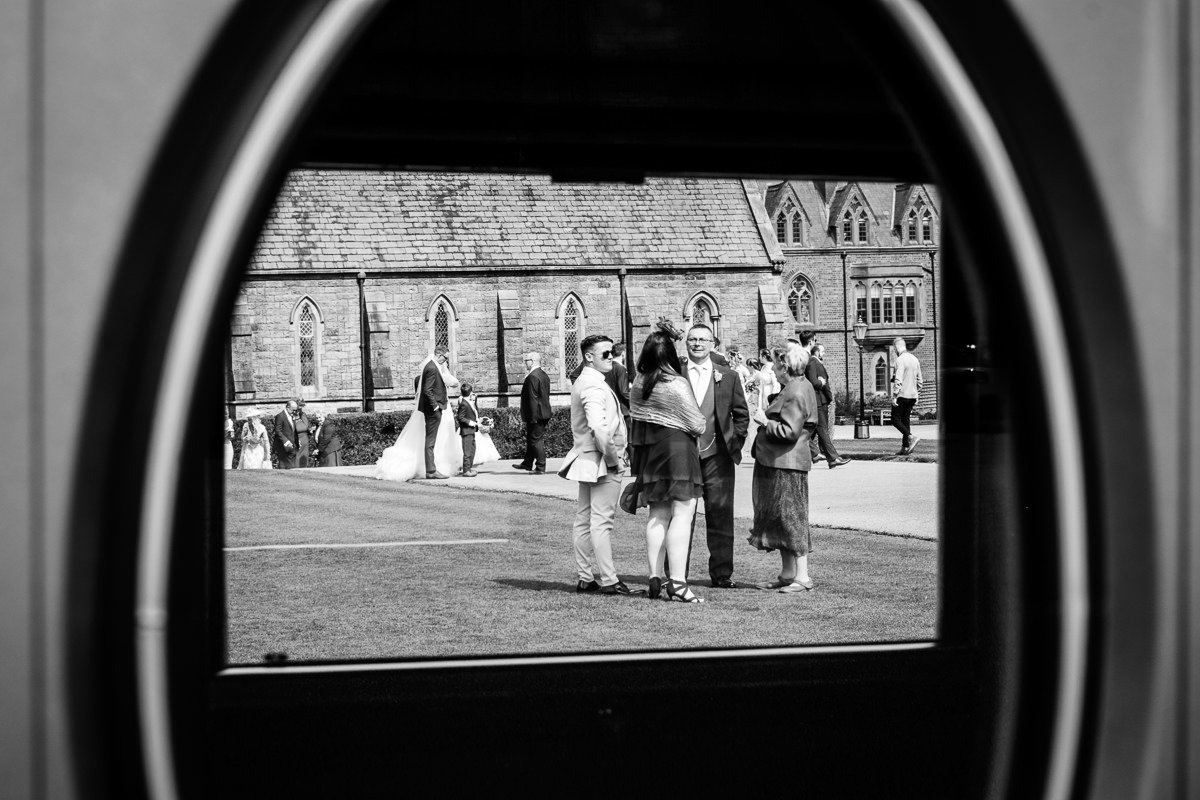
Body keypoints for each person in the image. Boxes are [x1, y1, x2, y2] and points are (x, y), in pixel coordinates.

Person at [629, 330, 707, 603]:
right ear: (671, 355)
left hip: (652, 452)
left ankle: (654, 576)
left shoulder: (639, 383)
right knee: (682, 514)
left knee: (657, 514)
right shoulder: (677, 383)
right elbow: (697, 423)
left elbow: (638, 417)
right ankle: (678, 582)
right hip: (678, 451)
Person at [559, 334, 637, 595]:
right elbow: (598, 428)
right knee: (601, 522)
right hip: (601, 461)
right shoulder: (592, 385)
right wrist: (614, 461)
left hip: (588, 459)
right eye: (605, 353)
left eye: (612, 352)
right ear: (588, 357)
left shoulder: (589, 381)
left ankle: (585, 577)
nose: (611, 358)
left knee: (584, 519)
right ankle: (609, 579)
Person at [748, 342, 819, 593]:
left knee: (792, 518)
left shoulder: (797, 390)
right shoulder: (794, 387)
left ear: (785, 365)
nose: (774, 368)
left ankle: (803, 577)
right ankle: (789, 573)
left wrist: (764, 421)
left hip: (787, 464)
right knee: (780, 518)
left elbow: (789, 432)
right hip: (779, 462)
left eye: (777, 364)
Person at [682, 323, 749, 588]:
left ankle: (722, 574)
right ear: (686, 343)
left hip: (718, 456)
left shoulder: (728, 376)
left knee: (720, 513)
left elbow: (741, 414)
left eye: (702, 339)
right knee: (680, 515)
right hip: (682, 456)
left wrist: (734, 441)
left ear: (713, 344)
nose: (697, 344)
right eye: (692, 339)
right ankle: (676, 573)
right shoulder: (675, 374)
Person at [375, 347, 463, 481]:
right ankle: (431, 471)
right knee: (430, 440)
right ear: (439, 355)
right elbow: (427, 390)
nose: (445, 360)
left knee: (430, 440)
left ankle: (431, 469)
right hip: (433, 411)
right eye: (445, 358)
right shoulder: (432, 368)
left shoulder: (434, 366)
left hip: (436, 409)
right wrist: (435, 407)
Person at [798, 333, 850, 469]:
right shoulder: (810, 359)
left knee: (812, 430)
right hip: (815, 400)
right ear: (810, 342)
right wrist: (821, 383)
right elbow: (813, 382)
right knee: (818, 429)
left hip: (810, 399)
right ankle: (830, 457)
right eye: (814, 341)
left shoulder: (803, 357)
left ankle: (821, 455)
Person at [514, 351, 551, 474]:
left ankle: (540, 467)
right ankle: (527, 463)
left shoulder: (532, 376)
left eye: (527, 361)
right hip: (543, 412)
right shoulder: (543, 375)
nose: (525, 363)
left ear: (533, 361)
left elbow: (533, 398)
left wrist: (533, 417)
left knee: (535, 440)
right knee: (532, 439)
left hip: (537, 414)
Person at [891, 336, 924, 455]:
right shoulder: (915, 359)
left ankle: (911, 437)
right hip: (912, 396)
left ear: (895, 348)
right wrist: (914, 390)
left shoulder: (900, 360)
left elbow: (898, 380)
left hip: (902, 395)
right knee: (905, 420)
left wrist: (895, 395)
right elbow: (920, 382)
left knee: (894, 419)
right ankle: (905, 447)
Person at [454, 381, 481, 477]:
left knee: (472, 449)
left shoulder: (469, 401)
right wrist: (471, 422)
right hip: (466, 431)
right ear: (470, 392)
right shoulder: (464, 404)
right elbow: (460, 417)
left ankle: (469, 467)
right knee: (467, 451)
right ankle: (466, 470)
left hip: (471, 430)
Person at [273, 400, 302, 469]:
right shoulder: (280, 416)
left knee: (292, 468)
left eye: (296, 410)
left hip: (293, 446)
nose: (295, 412)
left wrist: (297, 441)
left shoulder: (291, 415)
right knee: (284, 468)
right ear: (288, 407)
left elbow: (293, 431)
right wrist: (286, 441)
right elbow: (278, 431)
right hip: (284, 447)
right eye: (293, 410)